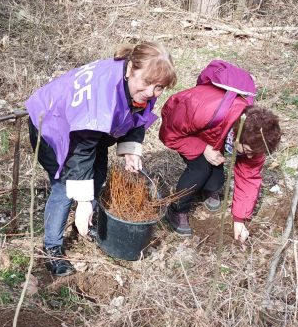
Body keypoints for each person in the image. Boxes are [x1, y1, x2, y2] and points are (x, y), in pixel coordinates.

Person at [25, 43, 177, 276]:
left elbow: (138, 116)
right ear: (129, 70)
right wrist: (83, 201)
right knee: (65, 187)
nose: (151, 92)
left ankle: (85, 222)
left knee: (99, 172)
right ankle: (52, 249)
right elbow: (80, 152)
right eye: (147, 83)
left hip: (89, 129)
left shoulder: (145, 86)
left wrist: (130, 150)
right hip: (51, 123)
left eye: (159, 88)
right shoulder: (102, 96)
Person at [159, 67, 281, 241]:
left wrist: (239, 220)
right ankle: (177, 209)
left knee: (215, 176)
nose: (252, 157)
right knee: (200, 169)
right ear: (238, 138)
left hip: (219, 134)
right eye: (249, 152)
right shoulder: (203, 110)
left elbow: (249, 177)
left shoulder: (257, 140)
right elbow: (169, 135)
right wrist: (203, 148)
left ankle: (209, 189)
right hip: (187, 130)